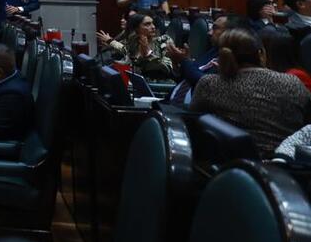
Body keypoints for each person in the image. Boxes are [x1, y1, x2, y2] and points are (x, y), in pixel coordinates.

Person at [192, 28, 311, 157]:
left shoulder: (209, 84)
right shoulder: (292, 83)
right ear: (261, 54)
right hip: (284, 167)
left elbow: (193, 120)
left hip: (228, 166)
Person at [166, 13, 230, 105]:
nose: (209, 33)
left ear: (230, 32)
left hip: (193, 113)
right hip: (173, 103)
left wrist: (184, 61)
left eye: (215, 28)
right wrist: (177, 65)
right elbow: (188, 79)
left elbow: (203, 84)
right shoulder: (213, 51)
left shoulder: (232, 59)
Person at [100, 12, 173, 80]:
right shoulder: (134, 42)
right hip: (136, 81)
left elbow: (166, 67)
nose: (153, 27)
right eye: (147, 24)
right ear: (136, 28)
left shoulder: (163, 40)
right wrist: (110, 41)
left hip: (158, 83)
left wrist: (148, 53)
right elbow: (123, 48)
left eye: (152, 23)